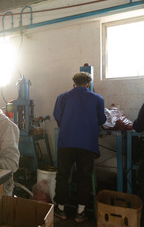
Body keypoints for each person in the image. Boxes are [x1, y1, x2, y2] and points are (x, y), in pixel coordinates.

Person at [53, 72, 106, 223]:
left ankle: (61, 210)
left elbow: (57, 116)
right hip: (87, 144)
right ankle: (80, 213)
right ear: (88, 84)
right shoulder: (98, 99)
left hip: (66, 143)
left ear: (73, 83)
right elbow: (102, 119)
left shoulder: (62, 97)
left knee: (63, 175)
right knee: (85, 177)